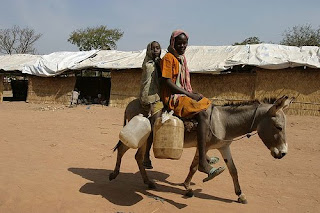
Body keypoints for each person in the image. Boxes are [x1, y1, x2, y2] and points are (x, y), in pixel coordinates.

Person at [160, 30, 225, 182]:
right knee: (202, 113)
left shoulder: (182, 58)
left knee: (206, 103)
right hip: (172, 97)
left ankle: (204, 152)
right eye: (179, 43)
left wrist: (192, 93)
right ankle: (202, 161)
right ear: (173, 43)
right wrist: (189, 95)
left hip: (182, 94)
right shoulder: (169, 58)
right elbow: (168, 83)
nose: (182, 46)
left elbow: (183, 83)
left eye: (185, 43)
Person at [139, 41, 164, 169]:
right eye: (153, 48)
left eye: (158, 48)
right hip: (150, 98)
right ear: (149, 50)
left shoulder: (160, 62)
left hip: (159, 95)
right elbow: (147, 83)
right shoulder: (147, 63)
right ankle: (146, 155)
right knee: (155, 124)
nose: (155, 50)